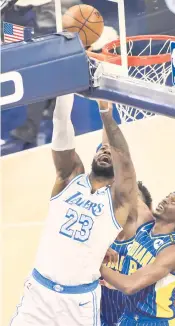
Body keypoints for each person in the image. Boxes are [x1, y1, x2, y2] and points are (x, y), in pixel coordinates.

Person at [10, 95, 137, 326]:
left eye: (110, 152)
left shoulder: (118, 202)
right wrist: (65, 89)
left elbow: (125, 161)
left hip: (78, 304)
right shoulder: (70, 178)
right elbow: (61, 124)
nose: (105, 152)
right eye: (101, 150)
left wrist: (106, 113)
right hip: (39, 294)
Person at [100, 191, 175, 325]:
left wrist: (95, 261)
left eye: (173, 201)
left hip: (156, 321)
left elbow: (129, 286)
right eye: (167, 196)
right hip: (129, 317)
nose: (165, 200)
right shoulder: (146, 223)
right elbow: (126, 187)